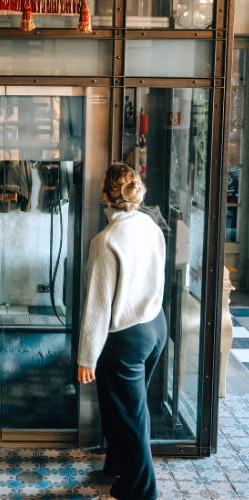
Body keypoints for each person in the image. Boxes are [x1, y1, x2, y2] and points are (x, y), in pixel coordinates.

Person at [78, 162, 166, 500]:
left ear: (105, 195)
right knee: (127, 407)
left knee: (130, 417)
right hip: (155, 326)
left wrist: (87, 357)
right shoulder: (150, 224)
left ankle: (141, 490)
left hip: (126, 338)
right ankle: (116, 464)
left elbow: (97, 306)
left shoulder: (105, 241)